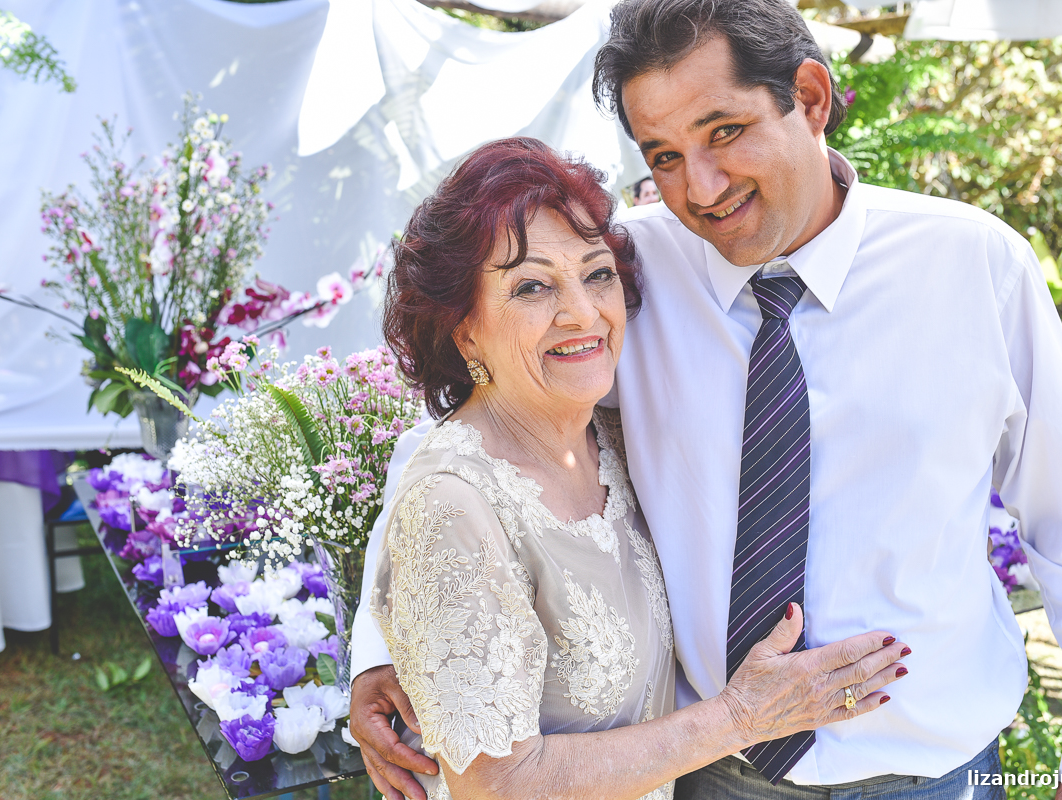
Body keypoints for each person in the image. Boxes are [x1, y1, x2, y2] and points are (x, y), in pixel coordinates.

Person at [352, 2, 1062, 800]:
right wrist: (377, 651)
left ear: (811, 98)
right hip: (708, 772)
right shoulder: (621, 273)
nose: (700, 188)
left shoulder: (975, 266)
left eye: (724, 133)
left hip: (938, 777)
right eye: (664, 155)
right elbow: (464, 438)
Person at [362, 137, 909, 800]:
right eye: (531, 286)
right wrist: (739, 718)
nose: (582, 313)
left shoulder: (612, 439)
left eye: (596, 274)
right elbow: (494, 784)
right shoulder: (454, 502)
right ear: (464, 328)